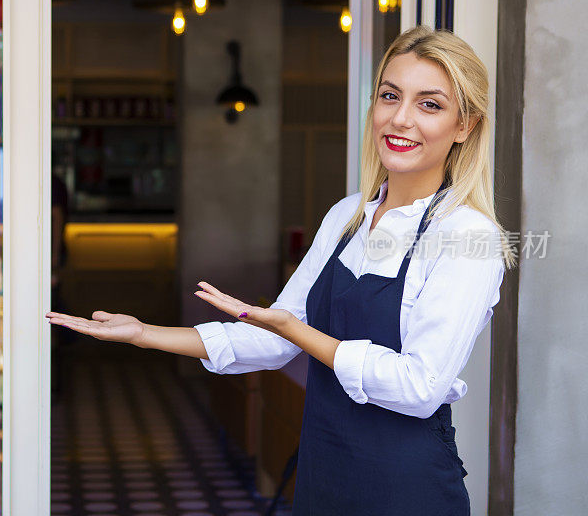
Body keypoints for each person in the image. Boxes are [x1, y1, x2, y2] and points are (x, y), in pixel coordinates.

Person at [45, 25, 515, 515]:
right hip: (324, 475)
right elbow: (275, 339)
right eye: (389, 96)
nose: (400, 119)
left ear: (465, 125)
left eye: (429, 104)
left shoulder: (467, 237)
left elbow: (419, 388)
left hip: (405, 491)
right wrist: (145, 334)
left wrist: (299, 331)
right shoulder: (347, 216)